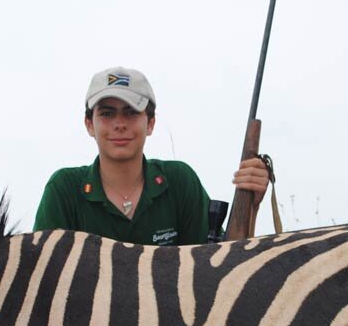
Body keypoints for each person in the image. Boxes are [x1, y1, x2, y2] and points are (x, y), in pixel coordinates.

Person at [34, 66, 270, 245]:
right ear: (89, 124)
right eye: (107, 113)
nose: (119, 124)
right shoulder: (63, 189)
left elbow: (223, 265)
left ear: (150, 123)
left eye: (131, 112)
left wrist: (252, 205)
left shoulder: (180, 181)